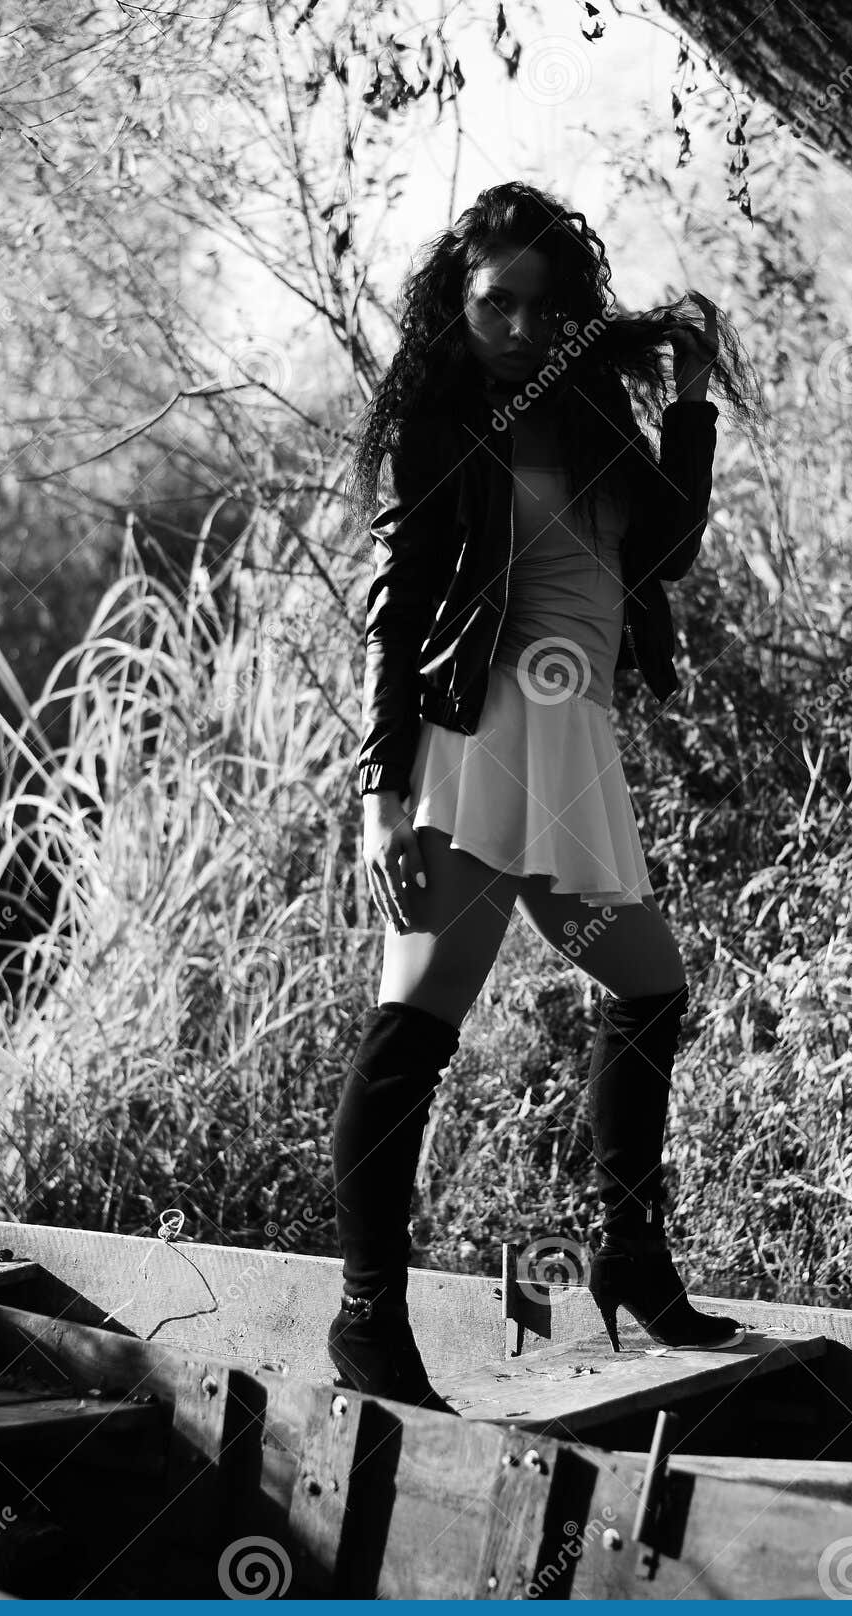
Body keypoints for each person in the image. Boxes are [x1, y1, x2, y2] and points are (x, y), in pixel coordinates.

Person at [329, 181, 765, 1414]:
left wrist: (688, 406)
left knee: (648, 988)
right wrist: (382, 790)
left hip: (570, 742)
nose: (516, 326)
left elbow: (662, 549)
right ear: (455, 306)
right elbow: (397, 603)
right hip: (478, 742)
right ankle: (366, 1316)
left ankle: (628, 1255)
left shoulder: (582, 416)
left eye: (540, 304)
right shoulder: (437, 422)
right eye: (492, 303)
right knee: (413, 1026)